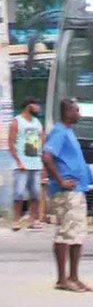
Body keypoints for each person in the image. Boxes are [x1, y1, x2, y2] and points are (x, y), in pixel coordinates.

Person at [42, 98, 93, 293]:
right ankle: (62, 279)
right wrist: (61, 180)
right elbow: (47, 157)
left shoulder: (69, 132)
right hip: (66, 192)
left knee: (77, 235)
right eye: (76, 110)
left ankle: (74, 277)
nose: (79, 114)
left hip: (78, 190)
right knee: (65, 233)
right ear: (67, 112)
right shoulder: (59, 132)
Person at [9, 97, 46, 230]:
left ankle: (33, 220)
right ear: (29, 106)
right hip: (22, 165)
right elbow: (11, 143)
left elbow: (42, 142)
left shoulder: (37, 123)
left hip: (35, 164)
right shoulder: (17, 121)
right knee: (19, 193)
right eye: (36, 105)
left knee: (35, 193)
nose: (38, 108)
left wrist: (43, 163)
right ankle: (16, 220)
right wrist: (18, 161)